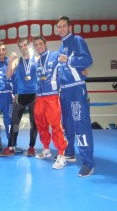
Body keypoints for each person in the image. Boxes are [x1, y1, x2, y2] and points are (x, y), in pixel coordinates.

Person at [56, 15, 95, 177]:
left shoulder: (77, 40)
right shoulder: (60, 46)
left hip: (76, 89)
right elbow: (61, 68)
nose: (61, 29)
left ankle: (88, 162)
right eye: (59, 27)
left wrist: (70, 60)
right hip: (64, 90)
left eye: (64, 26)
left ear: (69, 27)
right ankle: (70, 153)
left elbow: (88, 59)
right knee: (67, 124)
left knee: (80, 124)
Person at [33, 35, 68, 169]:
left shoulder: (55, 55)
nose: (39, 46)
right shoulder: (37, 62)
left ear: (45, 44)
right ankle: (46, 150)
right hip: (40, 97)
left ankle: (61, 155)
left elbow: (66, 65)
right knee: (41, 124)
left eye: (40, 44)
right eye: (36, 45)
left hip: (52, 97)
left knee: (56, 126)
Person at [0, 37, 38, 157]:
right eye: (20, 46)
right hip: (20, 96)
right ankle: (11, 147)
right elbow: (8, 75)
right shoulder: (17, 61)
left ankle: (31, 147)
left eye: (25, 45)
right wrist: (10, 60)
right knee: (14, 122)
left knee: (33, 123)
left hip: (34, 95)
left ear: (28, 45)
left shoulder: (36, 59)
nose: (23, 48)